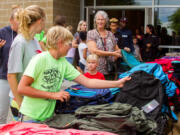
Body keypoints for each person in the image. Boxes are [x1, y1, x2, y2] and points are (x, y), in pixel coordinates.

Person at [17, 26, 131, 122]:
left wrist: (117, 84)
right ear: (60, 43)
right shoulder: (40, 59)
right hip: (30, 117)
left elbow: (88, 82)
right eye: (69, 44)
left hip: (48, 117)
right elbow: (22, 88)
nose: (71, 47)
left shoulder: (63, 62)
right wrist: (53, 95)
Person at [7, 5, 45, 120]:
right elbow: (11, 76)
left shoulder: (35, 40)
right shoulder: (20, 42)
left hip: (32, 99)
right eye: (44, 21)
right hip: (22, 102)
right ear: (40, 21)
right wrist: (20, 103)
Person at [87, 10, 121, 80]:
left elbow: (117, 49)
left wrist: (114, 58)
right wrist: (112, 54)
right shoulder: (91, 33)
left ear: (106, 21)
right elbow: (94, 51)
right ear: (95, 21)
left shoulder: (110, 34)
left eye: (102, 19)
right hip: (95, 71)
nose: (100, 21)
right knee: (96, 90)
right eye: (98, 19)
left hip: (110, 71)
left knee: (109, 90)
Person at [0, 5, 19, 124]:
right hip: (4, 77)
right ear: (11, 20)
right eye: (18, 18)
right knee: (1, 112)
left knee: (18, 113)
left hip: (20, 79)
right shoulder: (2, 32)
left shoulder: (25, 34)